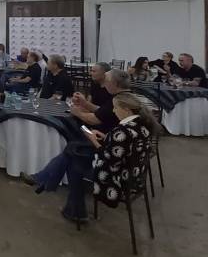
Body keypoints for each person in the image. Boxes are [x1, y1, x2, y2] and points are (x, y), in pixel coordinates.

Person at [29, 92, 156, 223]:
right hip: (134, 172)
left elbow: (109, 158)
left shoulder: (123, 131)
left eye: (115, 108)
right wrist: (106, 137)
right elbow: (125, 147)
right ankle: (70, 207)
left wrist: (93, 140)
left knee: (73, 162)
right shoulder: (141, 125)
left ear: (126, 110)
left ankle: (51, 186)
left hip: (117, 177)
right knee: (74, 154)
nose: (113, 111)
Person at [69, 68, 129, 132]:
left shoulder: (118, 100)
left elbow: (94, 120)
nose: (104, 84)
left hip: (108, 133)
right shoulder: (124, 95)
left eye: (106, 80)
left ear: (114, 83)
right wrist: (84, 103)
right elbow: (102, 111)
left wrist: (77, 112)